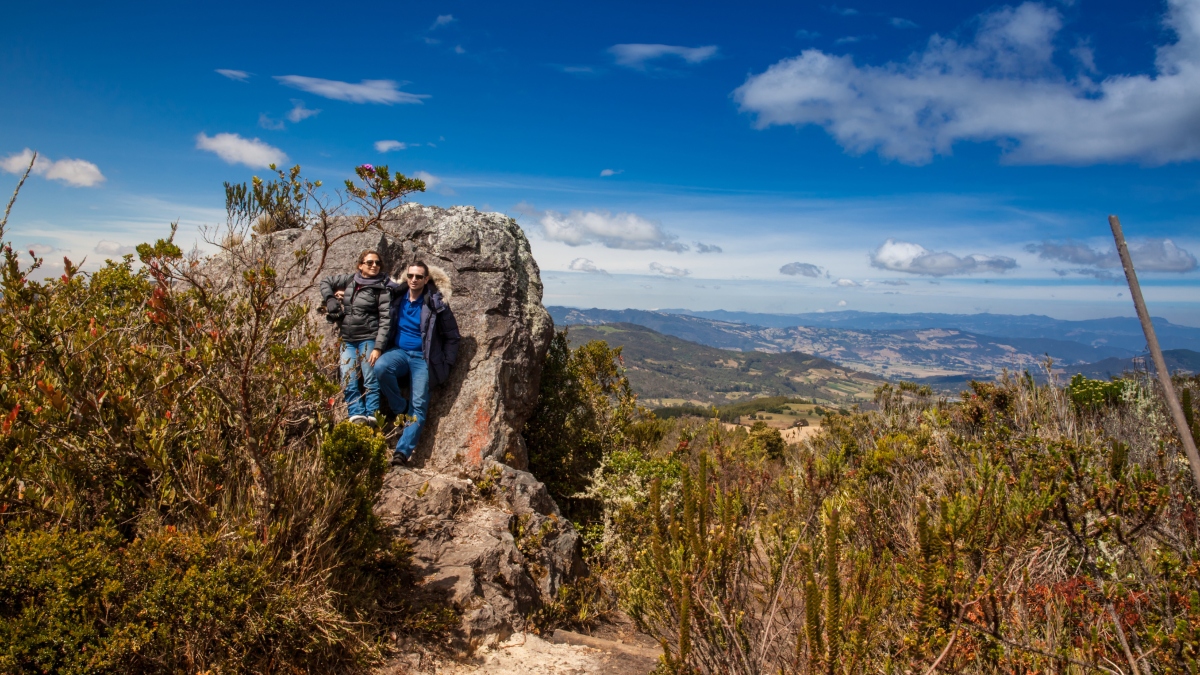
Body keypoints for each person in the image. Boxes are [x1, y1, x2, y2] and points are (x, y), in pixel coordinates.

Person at [376, 260, 461, 463]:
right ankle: (400, 407)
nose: (414, 280)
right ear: (407, 277)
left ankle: (402, 453)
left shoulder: (435, 303)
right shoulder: (396, 297)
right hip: (399, 352)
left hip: (424, 359)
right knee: (380, 368)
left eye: (418, 277)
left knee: (419, 405)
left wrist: (446, 364)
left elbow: (453, 336)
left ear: (426, 279)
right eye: (411, 276)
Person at [319, 250, 391, 424]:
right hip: (348, 339)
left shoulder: (382, 289)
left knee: (370, 378)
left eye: (377, 263)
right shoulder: (351, 280)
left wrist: (378, 347)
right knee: (348, 377)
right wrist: (330, 299)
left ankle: (372, 414)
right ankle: (356, 414)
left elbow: (386, 320)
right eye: (370, 263)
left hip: (369, 338)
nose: (374, 265)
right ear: (360, 266)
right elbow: (326, 281)